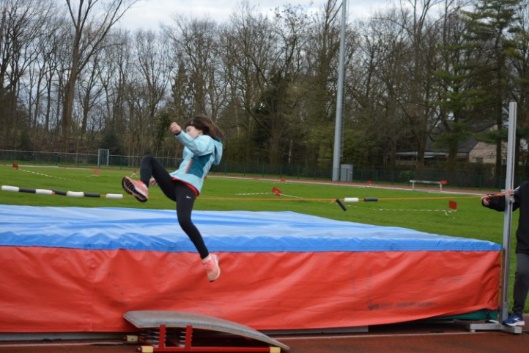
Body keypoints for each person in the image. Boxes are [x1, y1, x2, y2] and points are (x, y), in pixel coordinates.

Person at [122, 114, 224, 282]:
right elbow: (184, 168)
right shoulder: (195, 144)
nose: (187, 132)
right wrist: (162, 177)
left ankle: (208, 259)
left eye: (189, 129)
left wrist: (179, 133)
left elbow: (197, 149)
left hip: (187, 188)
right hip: (176, 183)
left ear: (200, 130)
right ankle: (143, 186)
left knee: (184, 221)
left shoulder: (206, 141)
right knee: (148, 160)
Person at [481, 181, 529, 326]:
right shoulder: (525, 187)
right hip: (525, 243)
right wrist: (489, 201)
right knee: (522, 273)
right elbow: (509, 202)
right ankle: (517, 314)